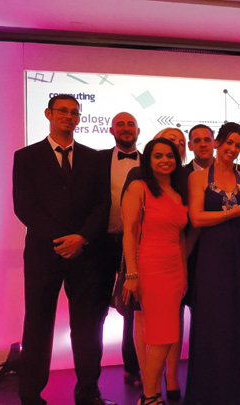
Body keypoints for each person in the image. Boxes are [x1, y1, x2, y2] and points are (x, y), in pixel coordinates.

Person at [13, 94, 112, 405]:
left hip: (86, 255)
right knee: (38, 324)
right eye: (63, 111)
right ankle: (30, 394)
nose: (69, 116)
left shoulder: (94, 158)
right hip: (44, 254)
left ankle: (87, 391)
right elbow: (24, 207)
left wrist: (81, 238)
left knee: (87, 327)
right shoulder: (26, 156)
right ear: (49, 114)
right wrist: (62, 240)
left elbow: (102, 205)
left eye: (74, 112)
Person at [184, 122, 240, 404]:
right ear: (217, 143)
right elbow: (196, 218)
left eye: (238, 145)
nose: (233, 149)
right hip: (213, 255)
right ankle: (212, 391)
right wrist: (232, 212)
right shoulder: (197, 179)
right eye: (229, 142)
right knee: (214, 320)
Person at [121, 138, 188, 405]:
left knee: (168, 335)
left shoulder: (177, 191)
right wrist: (132, 274)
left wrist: (183, 273)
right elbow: (129, 233)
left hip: (174, 268)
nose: (165, 160)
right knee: (162, 335)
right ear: (148, 160)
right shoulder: (139, 187)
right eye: (158, 156)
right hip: (150, 266)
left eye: (170, 156)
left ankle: (151, 395)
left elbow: (181, 237)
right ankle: (149, 396)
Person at [98, 112, 142, 388]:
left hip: (137, 245)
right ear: (112, 129)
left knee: (133, 307)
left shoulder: (150, 162)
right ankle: (90, 377)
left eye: (131, 124)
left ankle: (133, 367)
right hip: (102, 242)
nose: (126, 129)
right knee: (96, 309)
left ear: (139, 130)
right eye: (121, 124)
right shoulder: (95, 160)